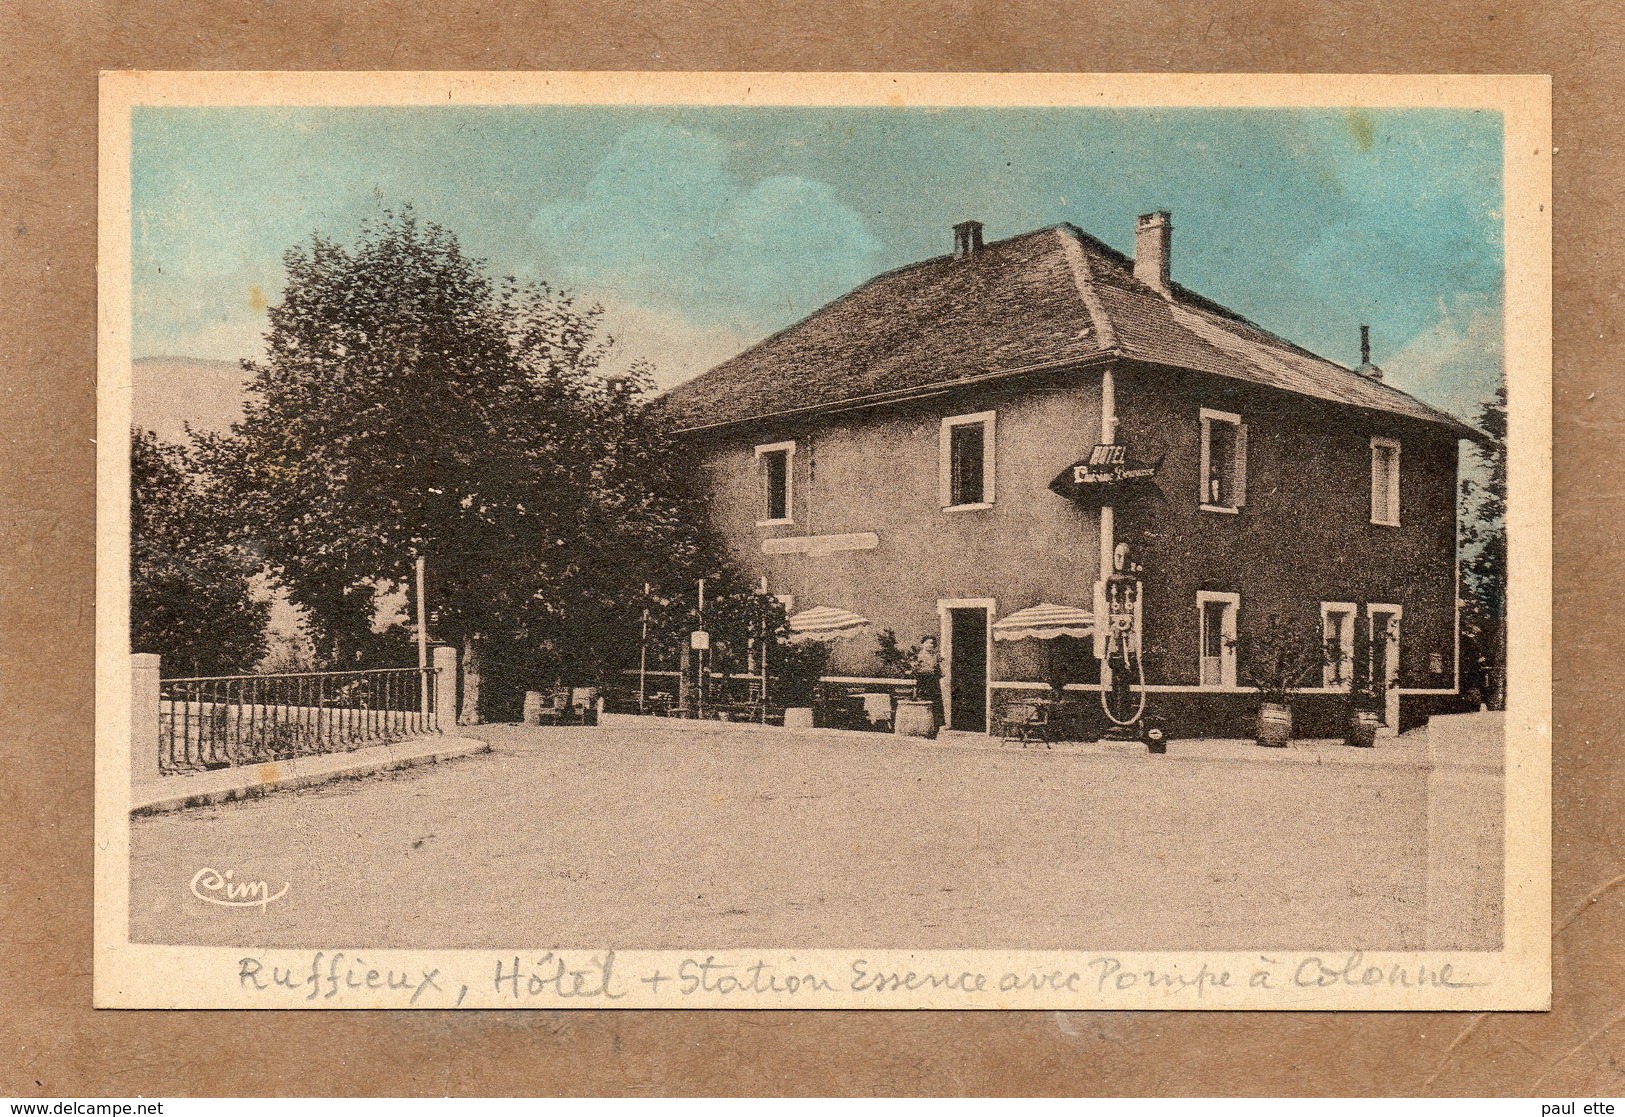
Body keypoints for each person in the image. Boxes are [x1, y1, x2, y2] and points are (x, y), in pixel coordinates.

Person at [913, 635, 944, 735]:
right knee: (924, 702)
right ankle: (923, 728)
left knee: (936, 705)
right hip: (923, 683)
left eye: (932, 643)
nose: (930, 645)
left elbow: (940, 672)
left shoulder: (935, 656)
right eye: (927, 643)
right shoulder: (919, 656)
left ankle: (935, 729)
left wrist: (938, 671)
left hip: (934, 683)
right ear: (922, 644)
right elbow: (915, 670)